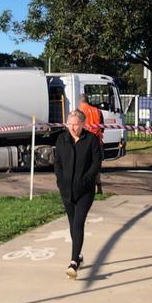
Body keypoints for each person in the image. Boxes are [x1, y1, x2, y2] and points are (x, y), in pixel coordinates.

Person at [54, 109, 102, 279]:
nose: (73, 128)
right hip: (66, 190)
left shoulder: (91, 140)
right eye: (70, 124)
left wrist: (86, 180)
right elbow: (57, 163)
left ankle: (73, 262)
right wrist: (60, 182)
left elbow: (96, 163)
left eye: (76, 125)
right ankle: (79, 255)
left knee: (78, 223)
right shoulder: (62, 139)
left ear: (83, 124)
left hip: (85, 191)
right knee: (72, 224)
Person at [79, 94, 104, 194]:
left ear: (80, 101)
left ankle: (85, 187)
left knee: (83, 166)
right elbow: (102, 127)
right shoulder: (97, 110)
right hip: (97, 140)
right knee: (96, 166)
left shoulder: (79, 111)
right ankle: (99, 187)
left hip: (84, 141)